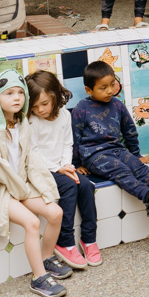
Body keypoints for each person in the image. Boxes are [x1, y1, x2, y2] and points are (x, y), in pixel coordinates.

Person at [0, 70, 69, 297]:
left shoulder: (22, 123)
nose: (16, 98)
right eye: (8, 93)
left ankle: (46, 259)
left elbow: (30, 161)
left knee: (56, 212)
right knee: (32, 222)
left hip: (21, 186)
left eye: (20, 92)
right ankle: (38, 278)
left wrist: (46, 187)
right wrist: (20, 192)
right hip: (0, 190)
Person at [71, 60, 149, 217]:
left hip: (117, 150)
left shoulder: (117, 105)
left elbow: (129, 130)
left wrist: (136, 154)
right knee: (122, 170)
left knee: (139, 167)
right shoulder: (81, 109)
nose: (110, 91)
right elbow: (75, 138)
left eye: (112, 84)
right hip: (94, 155)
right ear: (89, 90)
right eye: (103, 88)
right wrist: (76, 164)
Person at [24, 70, 101, 269]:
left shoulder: (65, 116)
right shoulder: (30, 121)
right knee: (69, 185)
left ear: (55, 97)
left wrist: (67, 166)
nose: (40, 110)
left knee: (84, 185)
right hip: (40, 171)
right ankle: (64, 241)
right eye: (34, 106)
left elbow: (68, 144)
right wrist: (58, 169)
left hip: (60, 167)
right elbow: (32, 153)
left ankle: (89, 238)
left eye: (44, 104)